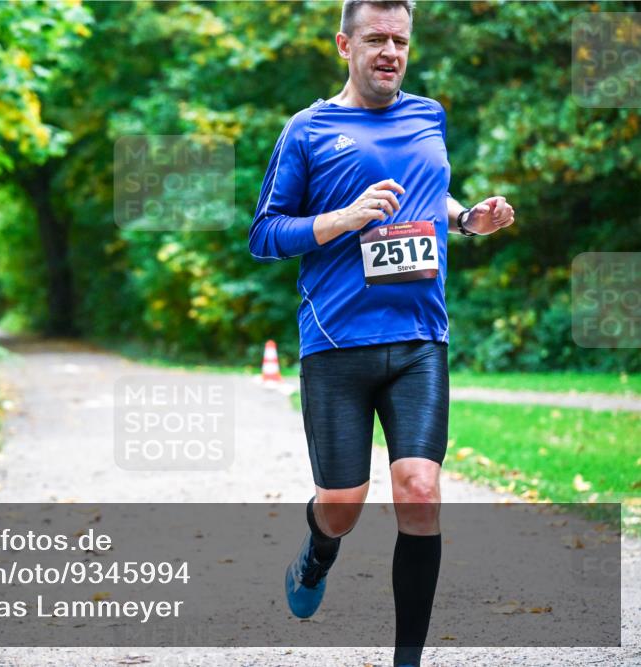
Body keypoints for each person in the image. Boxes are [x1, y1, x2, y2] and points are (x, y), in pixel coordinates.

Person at [247, 2, 515, 666]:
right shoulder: (308, 129)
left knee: (420, 491)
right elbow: (264, 234)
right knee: (341, 505)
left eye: (400, 40)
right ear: (345, 45)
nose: (390, 51)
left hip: (420, 339)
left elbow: (430, 197)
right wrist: (342, 218)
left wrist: (466, 218)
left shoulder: (429, 115)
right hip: (337, 344)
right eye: (376, 39)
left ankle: (407, 660)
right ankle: (318, 552)